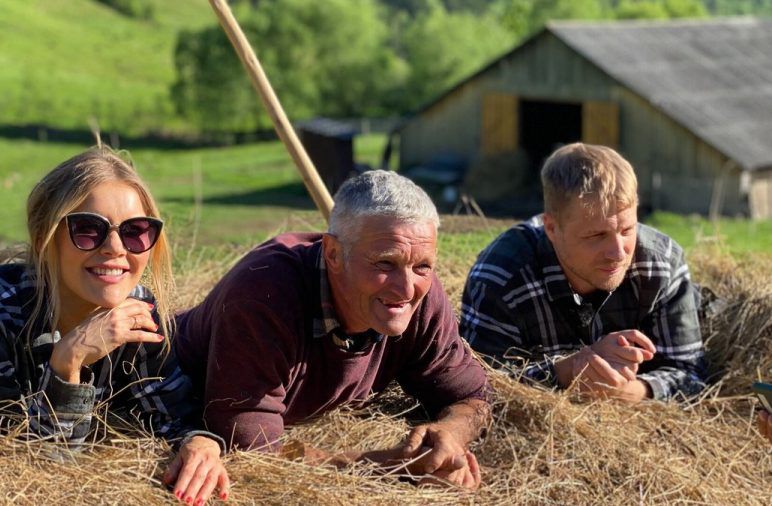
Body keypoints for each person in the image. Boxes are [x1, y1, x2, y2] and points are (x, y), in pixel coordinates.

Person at [0, 147, 228, 504]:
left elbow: (176, 416)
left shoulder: (138, 310)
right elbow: (22, 469)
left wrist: (201, 443)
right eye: (88, 230)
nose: (116, 248)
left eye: (136, 231)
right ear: (45, 236)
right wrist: (68, 363)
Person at [174, 170, 492, 489]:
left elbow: (474, 396)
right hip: (166, 392)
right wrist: (395, 465)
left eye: (422, 266)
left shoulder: (421, 296)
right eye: (384, 264)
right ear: (333, 254)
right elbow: (250, 451)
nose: (407, 288)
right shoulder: (265, 295)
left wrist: (451, 435)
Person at [459, 143, 706, 403]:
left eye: (627, 230)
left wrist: (634, 392)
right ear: (552, 228)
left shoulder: (662, 263)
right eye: (597, 235)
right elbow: (478, 385)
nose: (618, 252)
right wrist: (566, 372)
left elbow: (690, 373)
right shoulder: (501, 277)